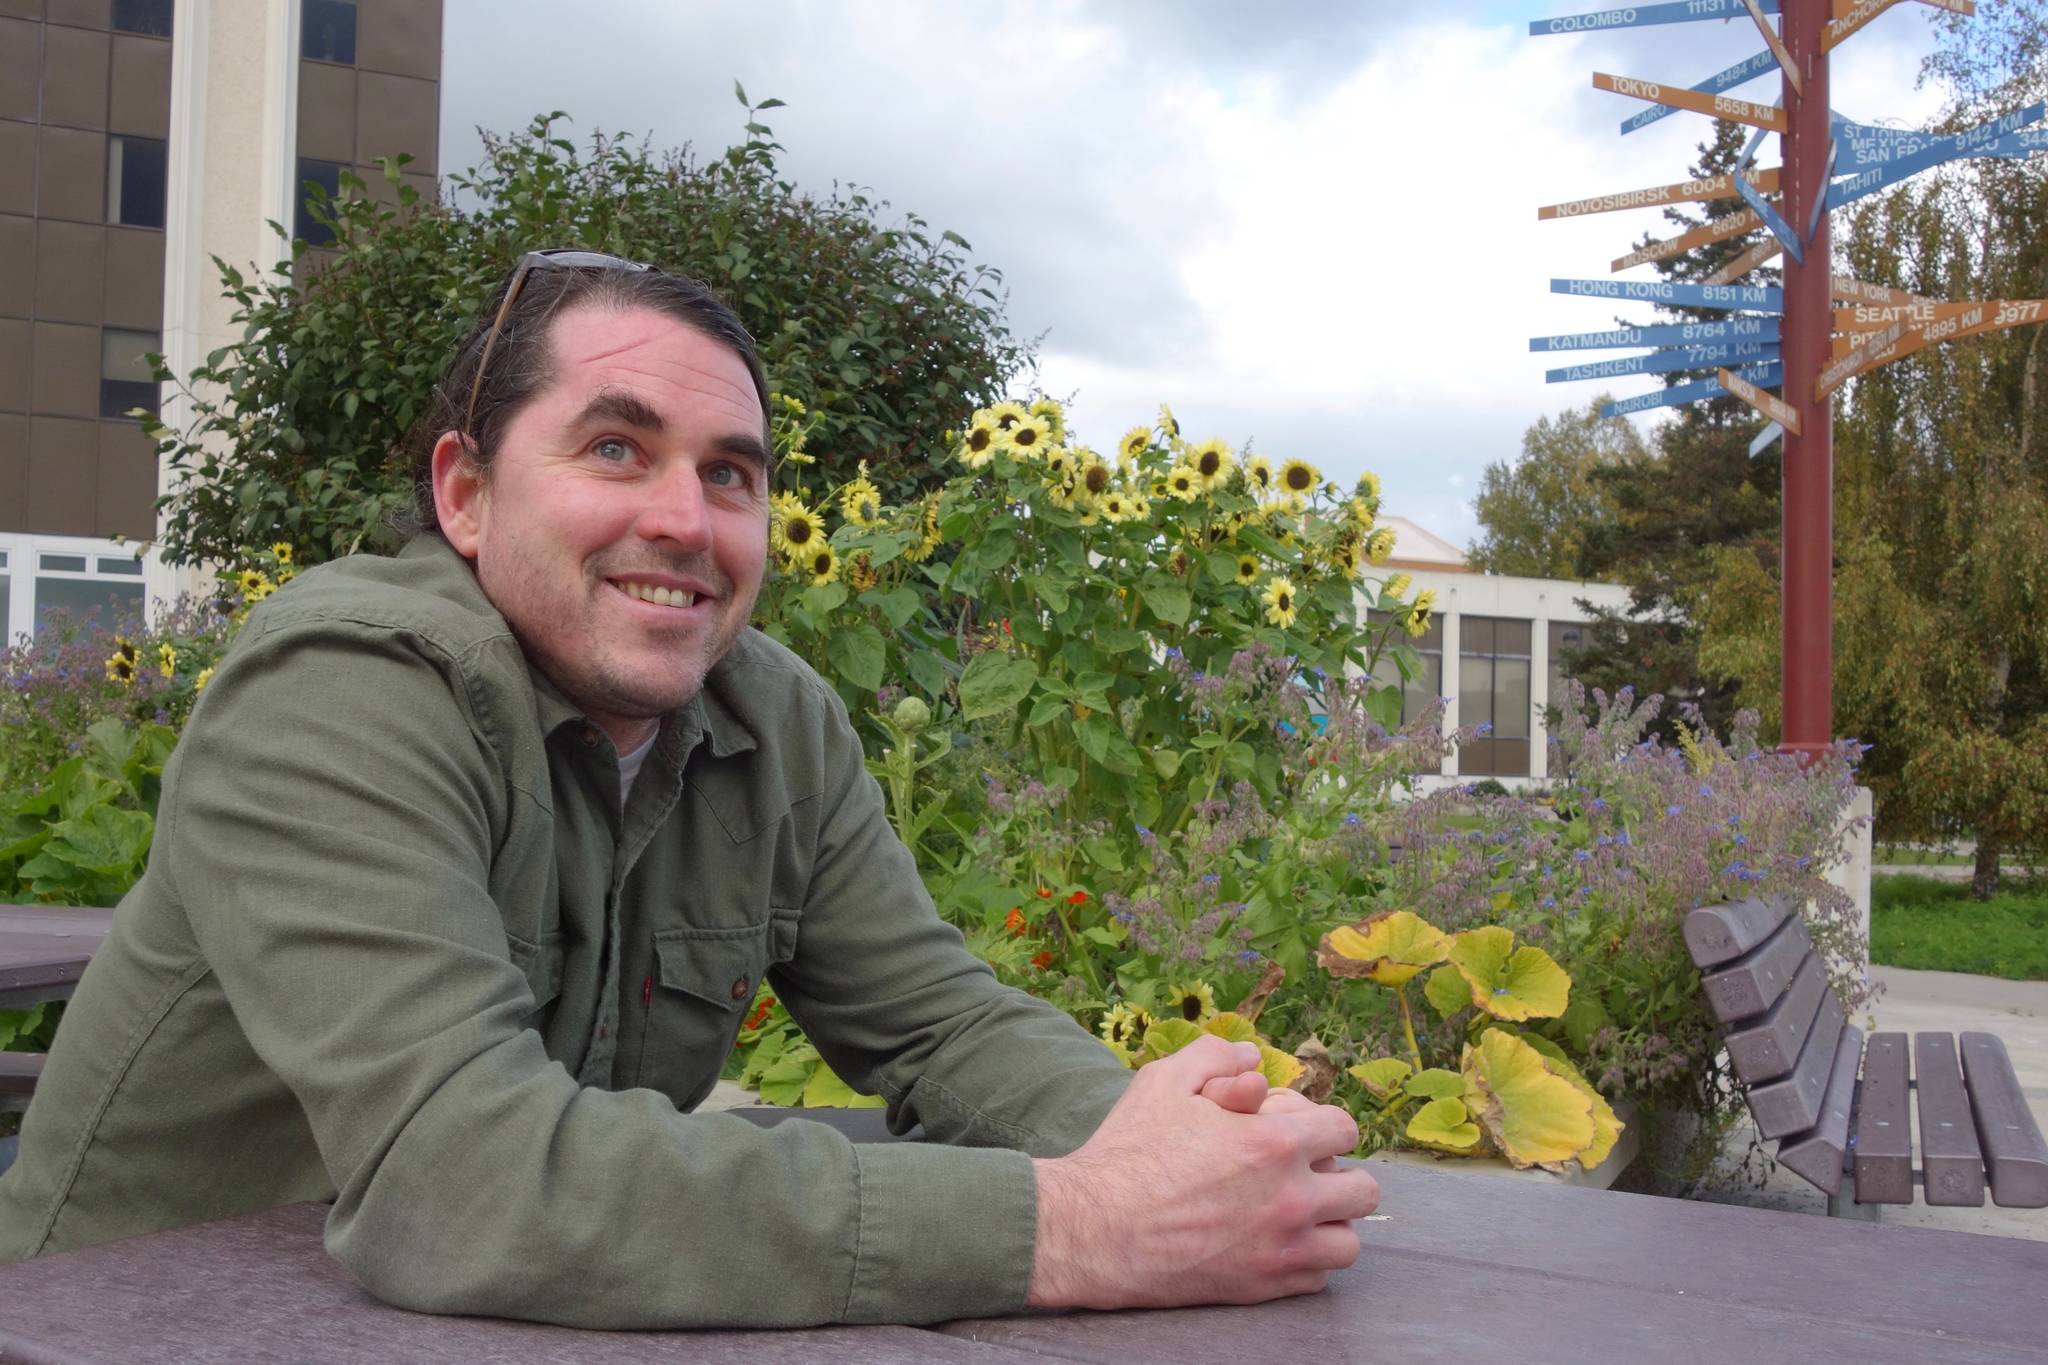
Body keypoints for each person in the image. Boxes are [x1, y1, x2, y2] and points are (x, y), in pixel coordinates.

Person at [0, 251, 1378, 1327]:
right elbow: (462, 1183)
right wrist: (1078, 1223)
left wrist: (1191, 1154)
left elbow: (946, 1029)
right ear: (466, 494)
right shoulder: (341, 692)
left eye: (731, 474)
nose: (686, 517)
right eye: (617, 448)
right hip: (126, 1323)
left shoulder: (772, 720)